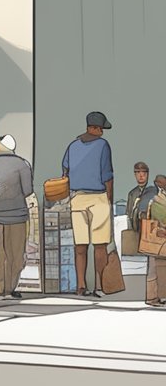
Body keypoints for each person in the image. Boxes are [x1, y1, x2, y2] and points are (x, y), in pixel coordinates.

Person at [62, 111, 115, 297]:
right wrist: (109, 200)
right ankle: (99, 286)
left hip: (76, 198)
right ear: (97, 128)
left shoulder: (72, 146)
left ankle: (81, 285)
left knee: (80, 247)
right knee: (100, 245)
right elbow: (107, 175)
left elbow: (65, 171)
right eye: (101, 128)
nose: (102, 132)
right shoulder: (103, 145)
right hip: (98, 197)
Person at [0, 135, 34, 299]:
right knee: (15, 254)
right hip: (17, 215)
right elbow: (28, 190)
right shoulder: (22, 164)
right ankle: (10, 288)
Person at [143, 175, 166, 307]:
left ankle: (152, 297)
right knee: (158, 269)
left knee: (153, 269)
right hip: (159, 238)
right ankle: (156, 297)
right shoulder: (159, 201)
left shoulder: (154, 200)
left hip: (153, 239)